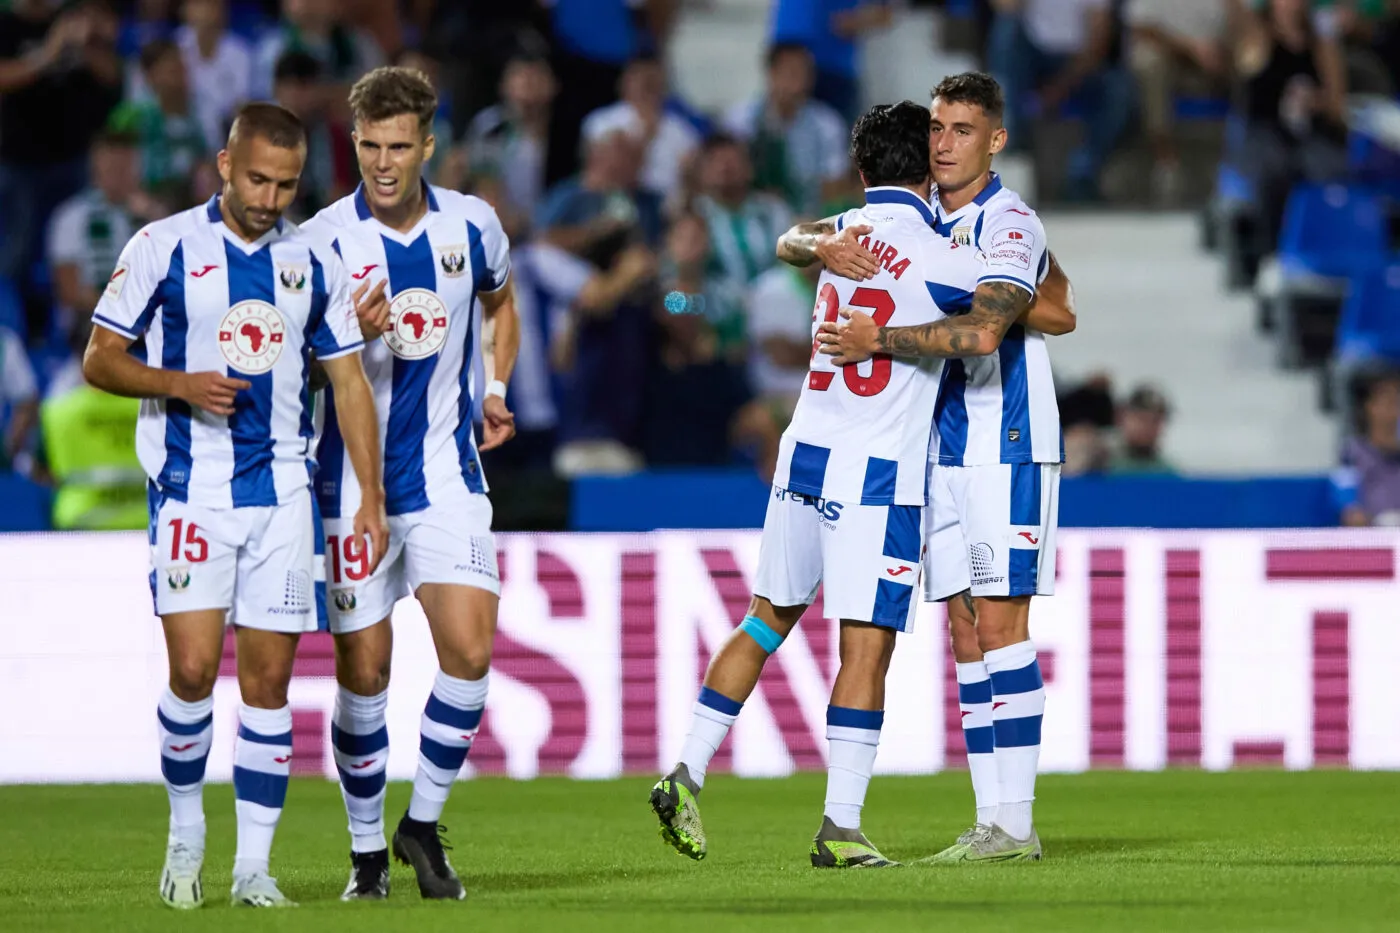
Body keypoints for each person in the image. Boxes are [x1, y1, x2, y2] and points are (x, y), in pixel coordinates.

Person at [81, 101, 388, 909]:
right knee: (189, 671)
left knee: (269, 683)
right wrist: (178, 384)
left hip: (283, 493)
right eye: (257, 178)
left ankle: (254, 868)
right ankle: (186, 837)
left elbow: (349, 381)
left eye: (286, 183)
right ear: (224, 164)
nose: (270, 196)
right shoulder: (162, 246)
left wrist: (372, 496)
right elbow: (100, 359)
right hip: (191, 490)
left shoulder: (315, 260)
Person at [650, 101, 959, 868]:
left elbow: (791, 240)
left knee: (764, 620)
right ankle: (841, 827)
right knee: (865, 646)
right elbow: (990, 327)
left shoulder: (840, 234)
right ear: (927, 168)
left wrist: (814, 240)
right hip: (876, 471)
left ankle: (685, 768)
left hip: (804, 453)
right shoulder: (944, 249)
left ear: (860, 172)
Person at [801, 72, 1076, 863]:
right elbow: (1056, 307)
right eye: (937, 129)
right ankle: (991, 819)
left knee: (999, 622)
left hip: (1007, 435)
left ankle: (1016, 823)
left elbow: (1015, 321)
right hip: (938, 442)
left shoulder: (1008, 220)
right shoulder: (917, 224)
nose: (943, 143)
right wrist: (817, 242)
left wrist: (881, 340)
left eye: (962, 129)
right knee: (963, 628)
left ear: (994, 140)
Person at [302, 66, 519, 902]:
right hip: (348, 487)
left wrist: (496, 389)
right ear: (352, 143)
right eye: (369, 146)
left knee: (469, 651)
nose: (384, 163)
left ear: (429, 145)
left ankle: (420, 825)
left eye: (399, 146)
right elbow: (294, 370)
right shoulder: (320, 241)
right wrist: (339, 339)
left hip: (445, 474)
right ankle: (365, 858)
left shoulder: (474, 225)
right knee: (365, 676)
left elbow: (503, 307)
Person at [0, 0, 123, 311]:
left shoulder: (74, 17)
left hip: (74, 157)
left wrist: (89, 45)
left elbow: (113, 79)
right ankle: (18, 328)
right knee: (17, 255)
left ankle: (76, 324)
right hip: (20, 162)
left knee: (80, 247)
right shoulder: (7, 25)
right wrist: (49, 54)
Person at [986, 0, 1134, 200]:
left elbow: (1098, 44)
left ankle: (1083, 170)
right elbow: (1005, 6)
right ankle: (1011, 130)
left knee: (1120, 89)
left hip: (1079, 62)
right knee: (1006, 30)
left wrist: (1058, 89)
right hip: (1032, 57)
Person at [723, 43, 851, 217]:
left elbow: (834, 186)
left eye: (804, 74)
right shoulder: (740, 120)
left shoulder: (828, 124)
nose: (798, 82)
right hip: (752, 216)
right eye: (791, 73)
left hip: (809, 218)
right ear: (771, 74)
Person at [581, 54, 700, 202]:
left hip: (665, 208)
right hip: (610, 200)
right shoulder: (601, 122)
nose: (646, 86)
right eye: (642, 80)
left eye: (652, 81)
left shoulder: (683, 132)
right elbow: (594, 172)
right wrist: (645, 136)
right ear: (625, 82)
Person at [1335, 371, 1400, 527]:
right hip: (1370, 538)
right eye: (1387, 401)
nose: (1393, 409)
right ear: (1369, 406)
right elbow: (1346, 500)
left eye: (1396, 402)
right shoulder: (1351, 452)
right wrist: (1360, 517)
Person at [1108, 384, 1175, 474]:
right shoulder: (1099, 464)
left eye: (1155, 420)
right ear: (1120, 418)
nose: (1148, 426)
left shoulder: (1166, 472)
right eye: (1141, 419)